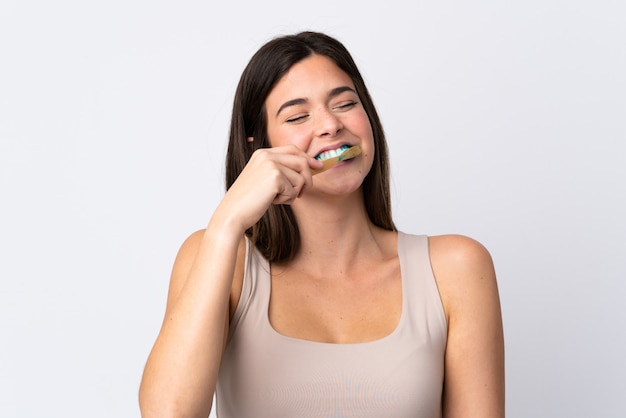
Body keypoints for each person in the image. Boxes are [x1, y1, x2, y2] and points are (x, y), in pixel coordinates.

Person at [139, 31, 504, 418]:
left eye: (345, 104)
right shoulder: (217, 257)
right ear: (256, 148)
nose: (331, 125)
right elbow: (168, 413)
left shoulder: (457, 269)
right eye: (298, 116)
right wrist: (228, 221)